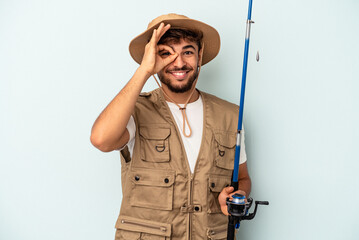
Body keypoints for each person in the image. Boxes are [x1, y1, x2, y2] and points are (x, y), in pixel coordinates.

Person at [90, 13, 251, 240]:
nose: (179, 63)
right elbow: (101, 139)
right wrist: (144, 71)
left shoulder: (231, 115)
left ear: (199, 55)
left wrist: (238, 194)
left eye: (187, 52)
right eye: (166, 53)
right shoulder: (134, 110)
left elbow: (243, 177)